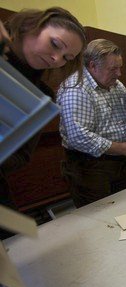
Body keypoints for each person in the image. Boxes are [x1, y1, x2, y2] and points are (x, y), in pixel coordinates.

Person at [0, 7, 85, 210]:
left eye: (66, 58)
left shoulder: (43, 97)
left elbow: (22, 155)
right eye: (55, 44)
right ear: (30, 26)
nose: (56, 59)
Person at [58, 39, 126, 208]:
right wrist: (122, 147)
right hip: (89, 167)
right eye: (113, 68)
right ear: (92, 66)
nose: (119, 73)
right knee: (99, 219)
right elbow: (78, 136)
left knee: (123, 210)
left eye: (119, 67)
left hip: (118, 163)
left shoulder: (115, 84)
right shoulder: (76, 89)